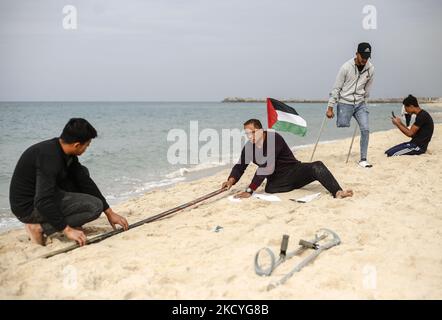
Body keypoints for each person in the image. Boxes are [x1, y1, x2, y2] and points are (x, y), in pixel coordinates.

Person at [9, 118, 129, 246]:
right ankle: (38, 228)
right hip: (28, 208)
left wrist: (110, 213)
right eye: (87, 145)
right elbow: (42, 201)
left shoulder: (63, 150)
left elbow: (84, 181)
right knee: (95, 207)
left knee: (82, 173)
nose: (86, 149)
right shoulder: (50, 158)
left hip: (42, 196)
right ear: (77, 145)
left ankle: (73, 224)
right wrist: (67, 230)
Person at [221, 119, 353, 199]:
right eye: (247, 133)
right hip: (277, 182)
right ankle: (288, 187)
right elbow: (240, 167)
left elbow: (266, 166)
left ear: (261, 130)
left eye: (253, 132)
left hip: (294, 172)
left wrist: (250, 190)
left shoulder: (274, 138)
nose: (250, 136)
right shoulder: (249, 147)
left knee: (317, 165)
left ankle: (337, 192)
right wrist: (230, 181)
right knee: (269, 189)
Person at [326, 42, 375, 168]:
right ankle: (341, 116)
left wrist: (365, 102)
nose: (365, 59)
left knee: (365, 129)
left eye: (367, 57)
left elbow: (368, 88)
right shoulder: (346, 67)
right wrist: (330, 108)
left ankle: (363, 159)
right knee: (342, 124)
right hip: (345, 102)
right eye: (362, 56)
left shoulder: (371, 69)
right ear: (357, 54)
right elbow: (336, 88)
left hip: (360, 103)